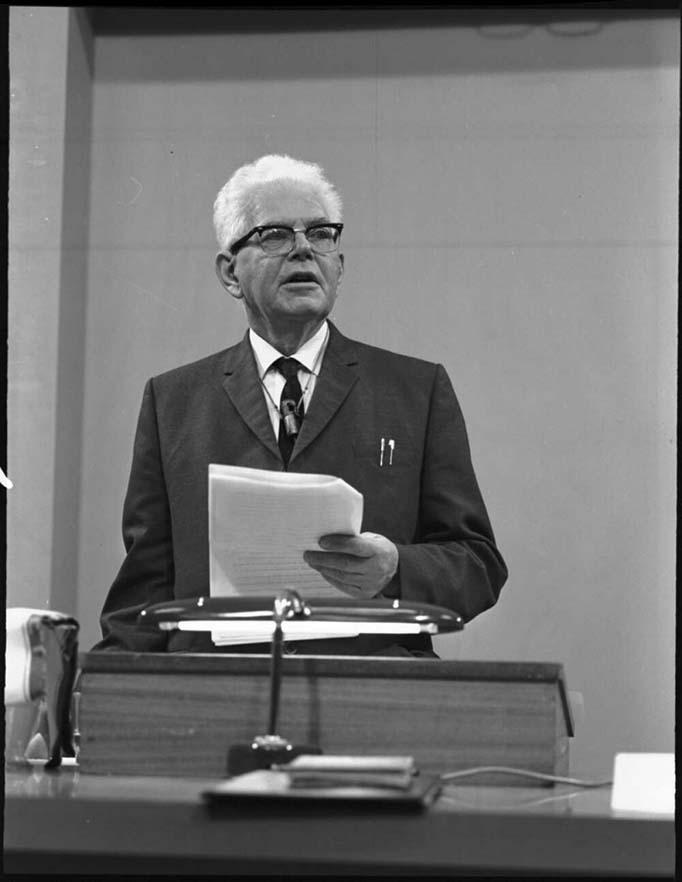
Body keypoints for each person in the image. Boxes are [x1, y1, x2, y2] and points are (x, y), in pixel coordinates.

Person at [96, 154, 507, 656]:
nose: (303, 251)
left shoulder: (416, 391)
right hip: (213, 694)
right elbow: (141, 594)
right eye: (275, 235)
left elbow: (478, 565)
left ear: (339, 265)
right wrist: (95, 703)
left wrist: (396, 567)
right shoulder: (174, 402)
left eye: (321, 234)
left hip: (373, 693)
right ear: (230, 273)